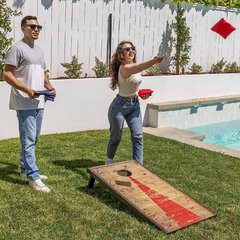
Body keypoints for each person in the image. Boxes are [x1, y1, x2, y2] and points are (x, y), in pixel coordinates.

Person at [3, 16, 56, 193]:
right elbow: (7, 74)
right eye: (32, 26)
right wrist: (26, 90)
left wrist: (49, 87)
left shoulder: (39, 51)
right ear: (23, 28)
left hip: (39, 101)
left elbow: (41, 74)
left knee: (34, 138)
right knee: (28, 140)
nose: (36, 29)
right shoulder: (16, 48)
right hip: (24, 101)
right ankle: (33, 176)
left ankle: (25, 169)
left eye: (39, 27)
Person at [106, 41, 164, 165]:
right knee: (116, 137)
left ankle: (139, 166)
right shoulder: (125, 68)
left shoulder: (133, 66)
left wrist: (140, 94)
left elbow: (134, 84)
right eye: (127, 49)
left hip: (134, 105)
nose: (131, 50)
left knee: (138, 136)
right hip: (119, 107)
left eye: (132, 48)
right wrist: (154, 61)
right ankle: (109, 161)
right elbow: (138, 68)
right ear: (121, 54)